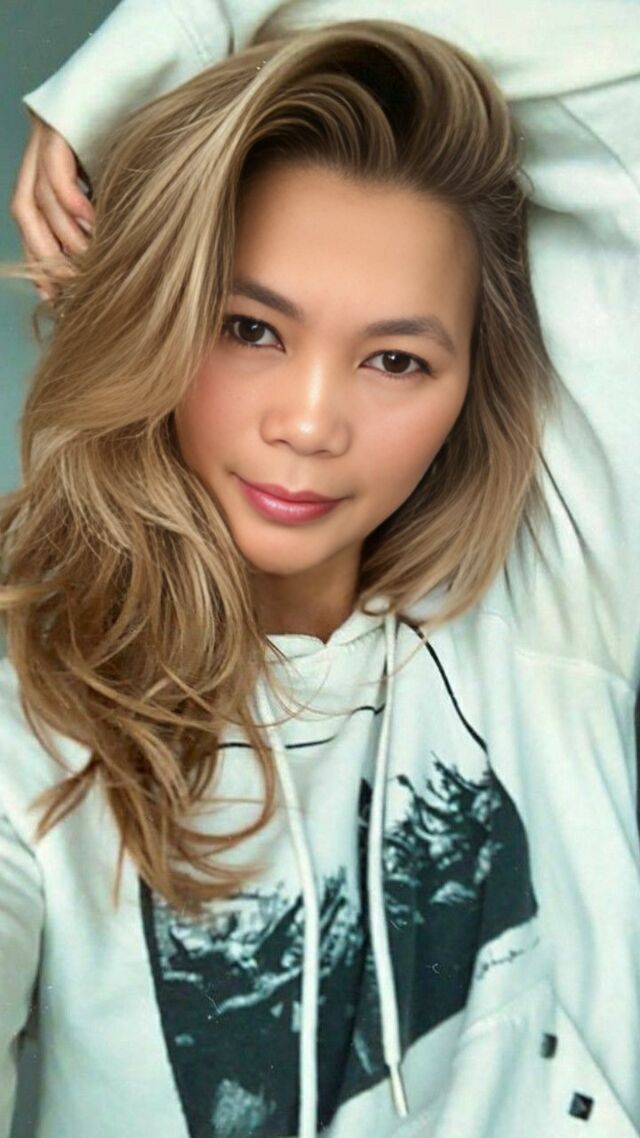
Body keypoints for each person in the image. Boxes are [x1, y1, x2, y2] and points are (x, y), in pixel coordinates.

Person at [2, 2, 639, 1137]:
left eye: (395, 359)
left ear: (470, 383)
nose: (308, 423)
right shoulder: (26, 718)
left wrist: (181, 30)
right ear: (158, 312)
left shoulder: (545, 595)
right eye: (250, 328)